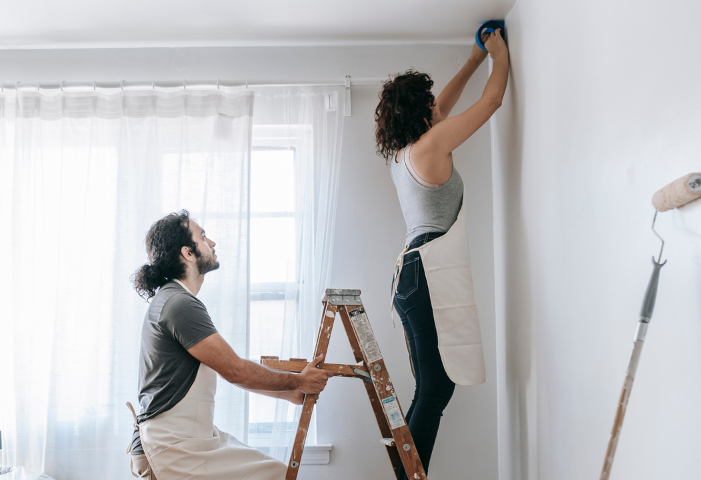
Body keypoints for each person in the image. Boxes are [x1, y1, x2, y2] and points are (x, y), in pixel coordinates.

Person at [376, 28, 509, 479]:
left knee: (430, 388)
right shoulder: (430, 145)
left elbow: (445, 107)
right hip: (426, 269)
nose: (437, 106)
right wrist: (499, 56)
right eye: (429, 102)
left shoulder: (403, 152)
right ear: (420, 111)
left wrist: (473, 61)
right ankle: (410, 476)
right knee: (435, 389)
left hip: (412, 273)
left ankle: (409, 472)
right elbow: (491, 104)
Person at [126, 210, 334, 480]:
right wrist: (298, 382)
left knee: (277, 473)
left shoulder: (176, 300)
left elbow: (228, 370)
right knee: (277, 475)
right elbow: (235, 370)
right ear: (188, 253)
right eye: (202, 236)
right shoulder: (180, 305)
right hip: (173, 446)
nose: (211, 242)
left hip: (186, 439)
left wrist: (286, 393)